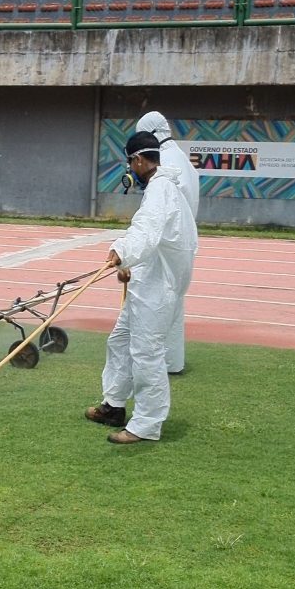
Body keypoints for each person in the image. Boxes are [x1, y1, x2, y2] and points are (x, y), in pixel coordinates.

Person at [85, 131, 198, 445]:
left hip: (159, 290)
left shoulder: (161, 189)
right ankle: (114, 406)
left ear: (137, 159)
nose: (130, 168)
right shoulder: (163, 188)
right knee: (120, 342)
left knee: (147, 354)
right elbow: (159, 240)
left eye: (130, 162)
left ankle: (146, 425)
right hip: (148, 282)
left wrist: (121, 252)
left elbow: (146, 229)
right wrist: (129, 267)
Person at [136, 111, 200, 374]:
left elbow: (159, 209)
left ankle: (153, 361)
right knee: (173, 302)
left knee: (155, 303)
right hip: (182, 240)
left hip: (167, 242)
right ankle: (172, 361)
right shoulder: (182, 158)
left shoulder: (164, 163)